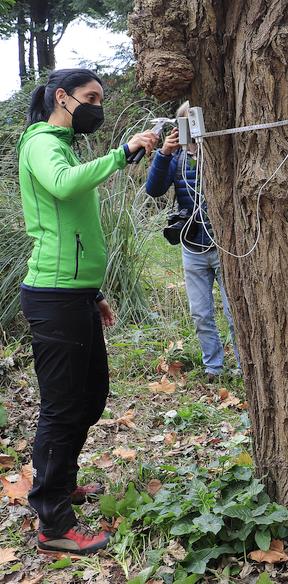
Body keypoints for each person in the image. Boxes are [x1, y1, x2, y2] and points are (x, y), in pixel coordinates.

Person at [17, 68, 159, 555]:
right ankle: (53, 518)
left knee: (91, 394)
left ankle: (64, 482)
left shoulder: (63, 143)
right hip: (52, 296)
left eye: (101, 97)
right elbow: (61, 186)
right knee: (63, 408)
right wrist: (123, 153)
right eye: (91, 97)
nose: (97, 105)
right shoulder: (41, 143)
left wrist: (93, 292)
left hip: (73, 295)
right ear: (62, 98)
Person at [146, 101, 238, 380]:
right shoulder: (175, 159)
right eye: (185, 122)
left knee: (233, 311)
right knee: (200, 313)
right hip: (192, 244)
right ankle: (214, 366)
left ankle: (247, 367)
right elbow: (154, 189)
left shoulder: (222, 152)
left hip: (225, 246)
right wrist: (164, 153)